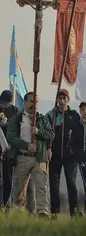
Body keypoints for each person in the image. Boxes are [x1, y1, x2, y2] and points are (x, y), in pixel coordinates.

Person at [6, 92, 54, 218]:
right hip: (23, 157)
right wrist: (26, 145)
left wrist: (39, 131)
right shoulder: (16, 119)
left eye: (36, 102)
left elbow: (51, 134)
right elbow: (10, 137)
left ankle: (43, 211)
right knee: (19, 188)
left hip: (39, 158)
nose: (34, 104)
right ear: (25, 102)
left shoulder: (43, 119)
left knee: (41, 186)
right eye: (32, 101)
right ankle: (17, 211)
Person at [46, 89, 83, 218]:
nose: (62, 101)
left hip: (70, 157)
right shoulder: (51, 114)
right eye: (59, 98)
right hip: (54, 156)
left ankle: (75, 211)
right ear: (56, 100)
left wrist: (76, 150)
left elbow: (79, 134)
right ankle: (55, 212)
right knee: (54, 184)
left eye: (64, 98)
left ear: (68, 100)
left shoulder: (73, 115)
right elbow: (46, 132)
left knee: (71, 184)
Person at [70, 101, 86, 213]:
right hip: (80, 157)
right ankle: (76, 209)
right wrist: (77, 153)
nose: (85, 112)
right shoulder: (77, 124)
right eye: (83, 110)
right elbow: (72, 141)